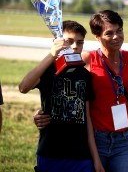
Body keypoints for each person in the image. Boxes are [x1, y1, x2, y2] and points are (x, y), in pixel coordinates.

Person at [34, 10, 128, 171]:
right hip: (96, 138)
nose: (116, 37)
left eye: (119, 31)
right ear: (97, 36)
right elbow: (59, 87)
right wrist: (42, 112)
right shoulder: (86, 60)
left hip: (123, 140)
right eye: (109, 33)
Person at [19, 20, 103, 172]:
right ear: (57, 42)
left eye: (80, 42)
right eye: (69, 41)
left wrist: (96, 160)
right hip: (50, 151)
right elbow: (23, 87)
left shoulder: (85, 75)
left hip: (80, 155)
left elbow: (87, 120)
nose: (75, 46)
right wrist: (52, 55)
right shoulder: (48, 70)